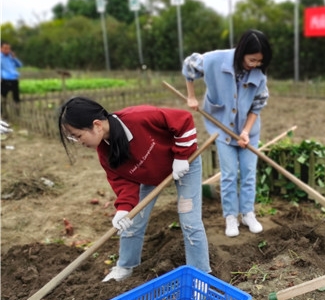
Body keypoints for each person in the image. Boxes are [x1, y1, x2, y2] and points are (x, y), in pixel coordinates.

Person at [58, 97, 211, 281]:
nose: (77, 141)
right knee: (131, 221)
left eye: (77, 135)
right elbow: (123, 182)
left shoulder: (138, 118)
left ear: (97, 125)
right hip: (150, 175)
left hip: (185, 164)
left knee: (189, 220)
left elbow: (183, 119)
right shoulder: (105, 153)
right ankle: (125, 267)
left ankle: (201, 274)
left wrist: (181, 156)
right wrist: (123, 209)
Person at [182, 29, 272, 237]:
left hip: (248, 131)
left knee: (249, 173)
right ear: (242, 52)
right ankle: (231, 217)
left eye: (260, 61)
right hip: (221, 128)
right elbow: (189, 66)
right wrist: (191, 97)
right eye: (252, 59)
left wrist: (246, 132)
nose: (255, 64)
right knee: (230, 174)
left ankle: (248, 213)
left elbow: (256, 107)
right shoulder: (215, 60)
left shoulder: (259, 76)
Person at [1, 42, 23, 118]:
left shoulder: (11, 57)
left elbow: (20, 65)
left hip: (14, 79)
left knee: (16, 97)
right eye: (5, 48)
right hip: (5, 79)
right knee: (3, 97)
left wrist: (14, 58)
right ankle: (4, 114)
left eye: (9, 48)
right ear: (1, 49)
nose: (8, 50)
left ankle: (17, 114)